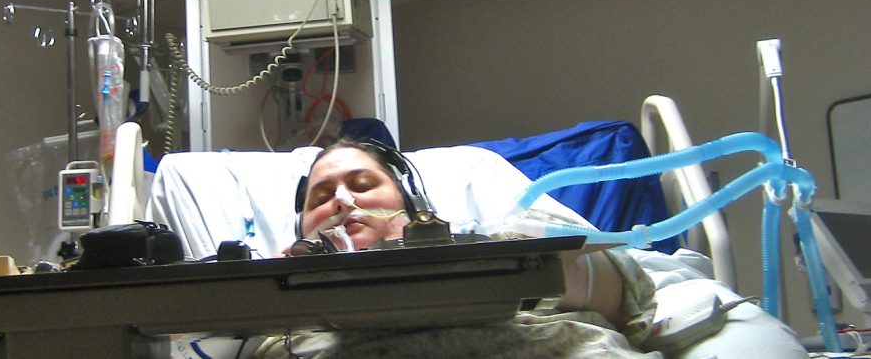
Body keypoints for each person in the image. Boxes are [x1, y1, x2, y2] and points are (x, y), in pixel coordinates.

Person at [260, 138, 663, 358]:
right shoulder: (274, 305)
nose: (344, 201)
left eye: (363, 186)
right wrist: (275, 293)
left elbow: (628, 298)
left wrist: (510, 263)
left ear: (412, 203)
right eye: (321, 198)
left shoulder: (513, 241)